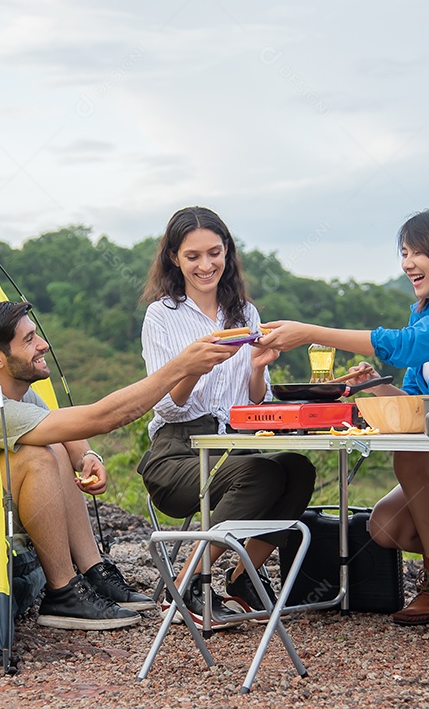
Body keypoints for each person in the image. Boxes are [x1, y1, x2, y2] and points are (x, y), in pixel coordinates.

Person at [257, 207, 429, 624]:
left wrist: (310, 333)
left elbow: (408, 345)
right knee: (383, 527)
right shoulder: (424, 312)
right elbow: (414, 402)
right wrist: (376, 386)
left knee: (412, 456)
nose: (407, 264)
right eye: (403, 253)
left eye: (417, 252)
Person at [0, 300, 240, 631]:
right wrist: (180, 367)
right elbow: (103, 417)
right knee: (38, 456)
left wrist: (88, 457)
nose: (43, 345)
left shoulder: (17, 392)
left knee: (53, 446)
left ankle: (92, 571)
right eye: (29, 340)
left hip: (4, 502)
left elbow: (61, 428)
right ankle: (62, 593)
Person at [139, 206, 318, 628]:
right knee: (260, 473)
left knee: (298, 468)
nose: (206, 265)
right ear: (174, 258)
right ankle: (184, 586)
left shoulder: (245, 314)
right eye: (193, 256)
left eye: (214, 253)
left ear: (227, 253)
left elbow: (256, 403)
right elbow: (165, 405)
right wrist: (192, 368)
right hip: (177, 451)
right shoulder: (161, 316)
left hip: (233, 443)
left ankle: (244, 578)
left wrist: (257, 368)